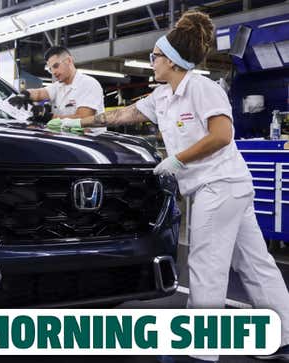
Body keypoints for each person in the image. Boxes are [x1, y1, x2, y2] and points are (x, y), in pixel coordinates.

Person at [48, 11, 289, 363]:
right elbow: (119, 115)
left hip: (220, 185)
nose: (152, 63)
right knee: (254, 263)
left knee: (206, 263)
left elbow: (222, 135)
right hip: (222, 187)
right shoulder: (164, 96)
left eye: (155, 57)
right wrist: (72, 125)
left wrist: (178, 160)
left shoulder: (201, 88)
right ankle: (282, 337)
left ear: (173, 61)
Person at [7, 46, 104, 124]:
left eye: (56, 66)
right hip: (65, 139)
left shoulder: (88, 84)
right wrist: (25, 94)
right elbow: (40, 93)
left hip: (89, 142)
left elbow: (84, 118)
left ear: (69, 61)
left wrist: (48, 117)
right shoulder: (58, 86)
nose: (53, 72)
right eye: (50, 69)